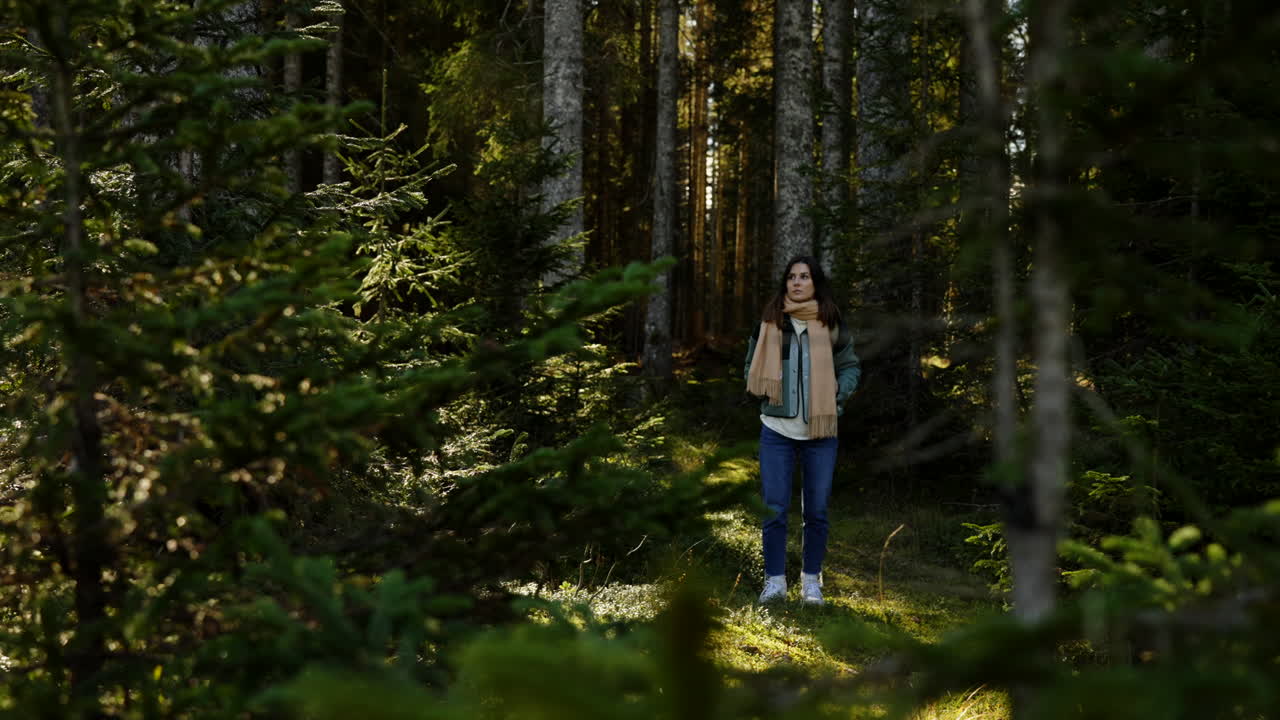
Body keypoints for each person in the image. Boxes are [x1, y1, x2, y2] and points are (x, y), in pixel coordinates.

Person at [744, 256, 860, 605]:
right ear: (785, 283)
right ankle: (775, 582)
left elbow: (850, 364)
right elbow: (750, 362)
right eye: (791, 277)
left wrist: (841, 389)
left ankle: (812, 582)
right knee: (775, 508)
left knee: (817, 511)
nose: (797, 282)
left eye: (804, 276)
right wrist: (759, 383)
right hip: (777, 428)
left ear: (815, 283)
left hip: (820, 432)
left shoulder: (831, 322)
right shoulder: (770, 322)